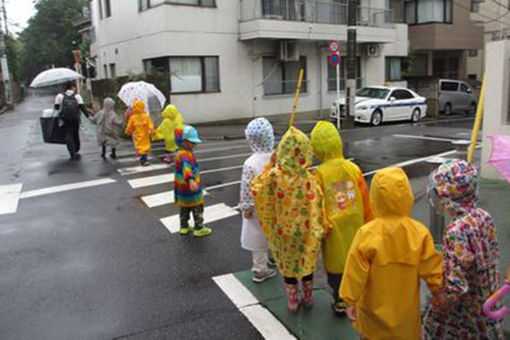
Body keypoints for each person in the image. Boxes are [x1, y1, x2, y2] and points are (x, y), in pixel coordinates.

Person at [339, 167, 443, 339]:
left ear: (375, 197)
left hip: (373, 315)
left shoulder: (367, 233)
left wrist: (349, 300)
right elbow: (432, 267)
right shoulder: (418, 232)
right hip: (405, 315)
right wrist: (437, 290)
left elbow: (354, 271)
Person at [252, 127, 329, 313]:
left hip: (282, 232)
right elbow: (318, 205)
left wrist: (271, 164)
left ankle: (293, 300)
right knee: (306, 262)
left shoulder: (274, 176)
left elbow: (257, 187)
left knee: (288, 267)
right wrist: (322, 225)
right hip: (305, 232)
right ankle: (308, 296)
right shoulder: (308, 179)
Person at [423, 160, 503, 339]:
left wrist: (440, 301)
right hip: (488, 300)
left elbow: (456, 287)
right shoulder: (484, 217)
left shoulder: (456, 232)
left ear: (447, 195)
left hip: (466, 313)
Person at [310, 121, 372, 315]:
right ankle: (360, 297)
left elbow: (317, 205)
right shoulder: (353, 168)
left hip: (333, 232)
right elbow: (365, 198)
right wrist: (370, 221)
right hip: (356, 227)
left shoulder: (318, 174)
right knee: (358, 263)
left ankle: (340, 300)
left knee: (336, 268)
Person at [240, 118, 276, 283]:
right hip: (275, 205)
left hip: (257, 208)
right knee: (274, 232)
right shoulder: (276, 159)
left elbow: (246, 188)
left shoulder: (250, 163)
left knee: (257, 236)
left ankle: (260, 269)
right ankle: (274, 257)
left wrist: (246, 207)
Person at [174, 125, 212, 237]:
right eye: (192, 142)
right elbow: (187, 168)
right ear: (184, 141)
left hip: (182, 189)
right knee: (197, 206)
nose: (194, 144)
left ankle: (184, 227)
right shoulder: (186, 155)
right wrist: (191, 180)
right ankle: (199, 228)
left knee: (184, 207)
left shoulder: (179, 153)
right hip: (191, 188)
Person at [54, 82, 90, 160]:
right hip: (75, 119)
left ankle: (72, 153)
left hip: (65, 119)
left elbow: (56, 108)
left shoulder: (59, 96)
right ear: (73, 87)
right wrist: (88, 117)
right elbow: (82, 108)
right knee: (75, 134)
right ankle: (76, 150)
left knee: (68, 135)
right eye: (75, 87)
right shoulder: (77, 96)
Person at [124, 100, 154, 166]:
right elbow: (150, 124)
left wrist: (127, 132)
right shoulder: (146, 116)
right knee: (144, 147)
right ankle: (144, 159)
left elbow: (129, 126)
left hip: (137, 135)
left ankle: (143, 159)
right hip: (145, 135)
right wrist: (152, 130)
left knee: (140, 147)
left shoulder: (133, 117)